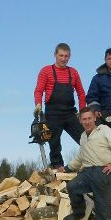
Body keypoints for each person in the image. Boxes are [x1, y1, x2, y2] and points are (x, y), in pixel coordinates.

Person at [34, 42, 87, 170]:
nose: (63, 59)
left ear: (69, 56)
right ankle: (57, 167)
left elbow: (81, 92)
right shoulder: (46, 71)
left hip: (70, 113)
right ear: (55, 55)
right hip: (52, 114)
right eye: (61, 55)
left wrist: (82, 110)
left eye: (66, 56)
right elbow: (38, 90)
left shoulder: (73, 72)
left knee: (86, 138)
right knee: (54, 143)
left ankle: (91, 162)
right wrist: (38, 104)